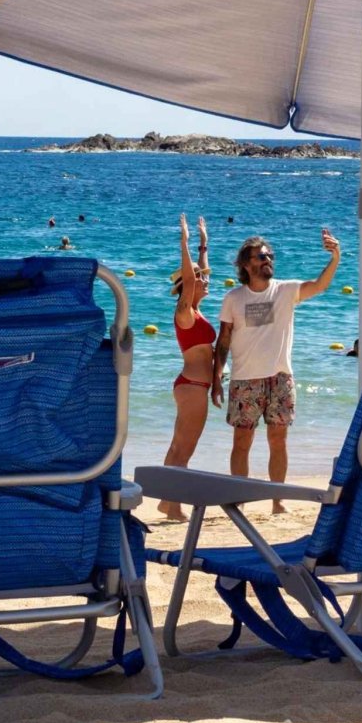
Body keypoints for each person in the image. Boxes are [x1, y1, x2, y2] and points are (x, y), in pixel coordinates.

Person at [213, 229, 341, 512]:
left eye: (270, 255)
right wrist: (216, 379)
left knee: (278, 440)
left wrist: (335, 257)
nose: (268, 259)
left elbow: (319, 285)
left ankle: (278, 500)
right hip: (244, 379)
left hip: (281, 377)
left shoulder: (285, 290)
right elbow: (222, 341)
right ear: (246, 265)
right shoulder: (233, 298)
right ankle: (239, 500)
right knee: (242, 441)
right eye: (261, 256)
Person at [157, 214, 213, 521]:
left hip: (192, 386)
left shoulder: (197, 312)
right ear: (186, 288)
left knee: (179, 446)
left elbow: (201, 274)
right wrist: (185, 242)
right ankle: (173, 504)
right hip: (192, 387)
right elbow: (193, 279)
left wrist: (204, 244)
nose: (205, 281)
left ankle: (167, 502)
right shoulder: (185, 313)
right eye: (197, 280)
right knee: (184, 449)